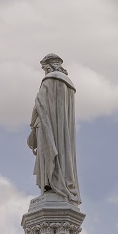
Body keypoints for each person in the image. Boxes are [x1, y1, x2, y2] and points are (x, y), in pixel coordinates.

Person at [27, 53, 80, 204]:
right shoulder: (69, 86)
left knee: (48, 154)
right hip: (63, 132)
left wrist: (32, 126)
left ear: (49, 66)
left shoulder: (48, 80)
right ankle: (62, 184)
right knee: (63, 154)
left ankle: (50, 186)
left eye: (44, 68)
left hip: (46, 126)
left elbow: (40, 104)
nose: (44, 71)